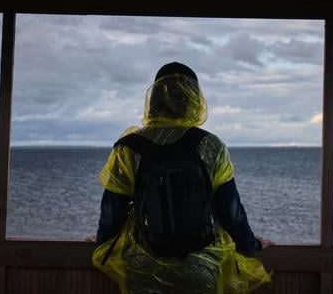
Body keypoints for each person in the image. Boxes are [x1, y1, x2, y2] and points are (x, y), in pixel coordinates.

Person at [91, 62, 273, 294]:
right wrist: (252, 244)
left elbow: (112, 213)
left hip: (143, 271)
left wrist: (102, 240)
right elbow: (231, 213)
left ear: (154, 98)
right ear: (195, 99)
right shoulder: (211, 146)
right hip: (201, 269)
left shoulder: (128, 148)